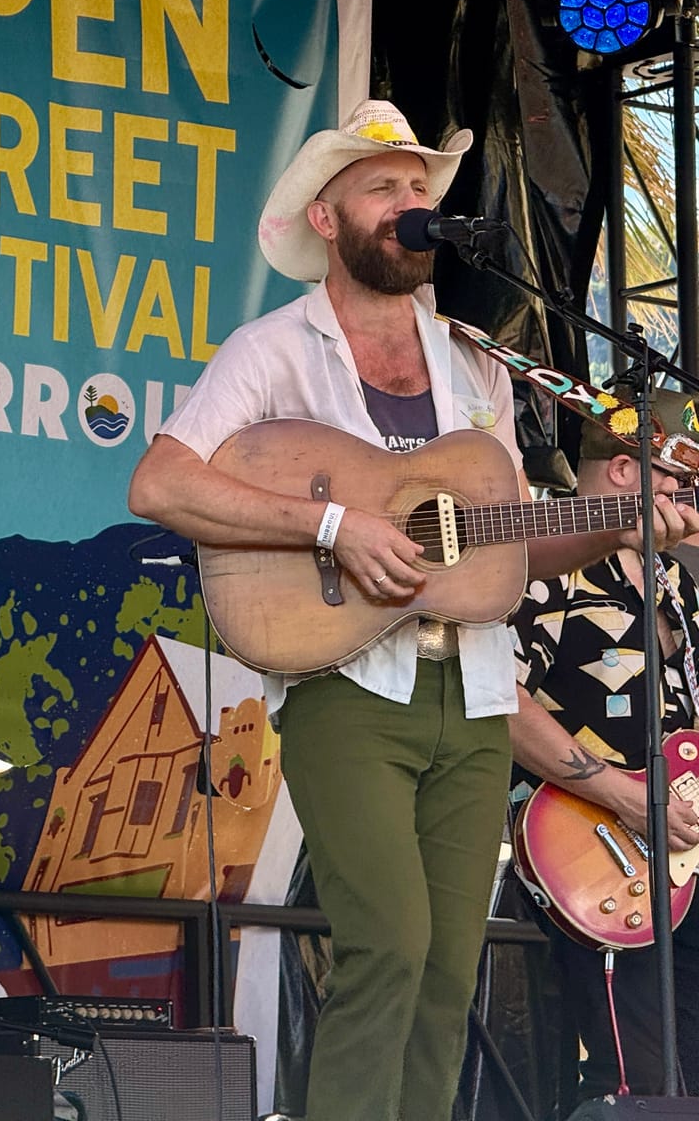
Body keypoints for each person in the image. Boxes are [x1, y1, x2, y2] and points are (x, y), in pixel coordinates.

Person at [127, 100, 699, 1121]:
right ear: (328, 219)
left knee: (447, 973)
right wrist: (333, 527)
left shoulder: (476, 358)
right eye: (385, 187)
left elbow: (504, 547)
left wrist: (622, 525)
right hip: (350, 686)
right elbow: (163, 486)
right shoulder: (272, 351)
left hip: (475, 693)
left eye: (420, 188)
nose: (411, 202)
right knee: (387, 943)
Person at [510, 390, 699, 1102]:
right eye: (681, 476)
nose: (690, 494)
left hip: (682, 854)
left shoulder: (675, 582)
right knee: (642, 1079)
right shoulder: (546, 572)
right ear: (625, 471)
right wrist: (624, 795)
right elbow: (497, 699)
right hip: (598, 854)